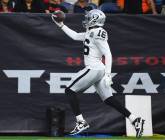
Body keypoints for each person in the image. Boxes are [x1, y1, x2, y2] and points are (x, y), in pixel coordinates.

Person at [51, 9, 145, 137]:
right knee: (108, 99)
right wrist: (61, 25)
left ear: (94, 19)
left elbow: (108, 54)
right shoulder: (91, 32)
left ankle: (81, 122)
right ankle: (135, 119)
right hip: (98, 69)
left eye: (89, 17)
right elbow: (75, 36)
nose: (86, 19)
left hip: (94, 68)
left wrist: (108, 74)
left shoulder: (97, 32)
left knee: (69, 90)